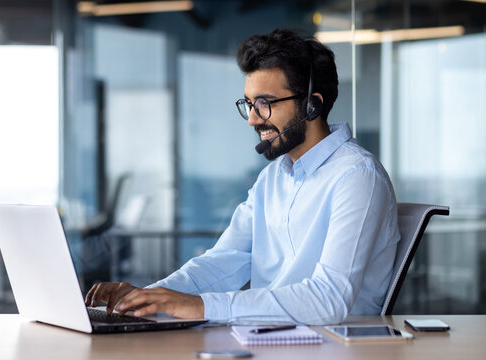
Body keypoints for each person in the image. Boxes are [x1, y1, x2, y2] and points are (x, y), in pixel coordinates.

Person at [85, 28, 400, 325]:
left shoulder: (357, 177)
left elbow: (328, 299)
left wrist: (201, 307)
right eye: (249, 104)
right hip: (272, 339)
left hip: (336, 346)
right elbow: (223, 262)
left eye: (264, 104)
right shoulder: (273, 178)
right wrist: (148, 297)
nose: (252, 119)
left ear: (312, 106)